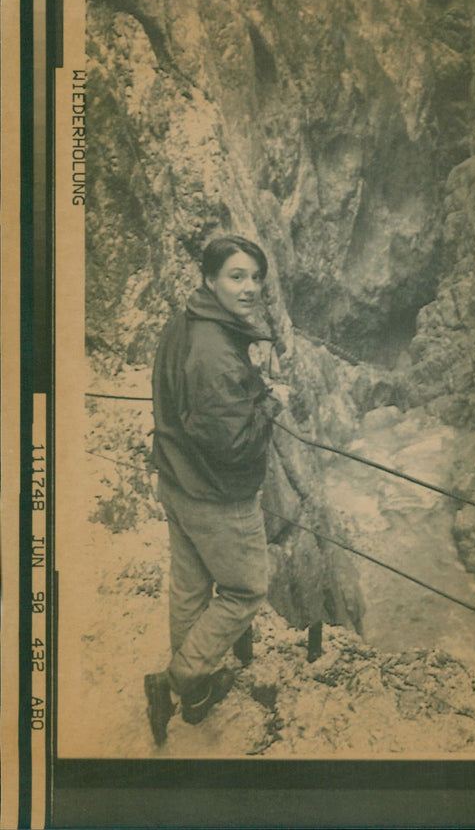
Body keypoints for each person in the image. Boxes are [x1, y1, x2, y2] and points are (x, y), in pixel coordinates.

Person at [145, 234, 281, 745]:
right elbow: (234, 445)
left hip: (177, 480)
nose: (250, 288)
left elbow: (195, 408)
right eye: (236, 276)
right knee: (246, 589)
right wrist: (272, 403)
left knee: (191, 588)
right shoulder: (215, 352)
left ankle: (197, 695)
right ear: (209, 279)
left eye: (255, 277)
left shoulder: (186, 323)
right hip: (216, 495)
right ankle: (178, 682)